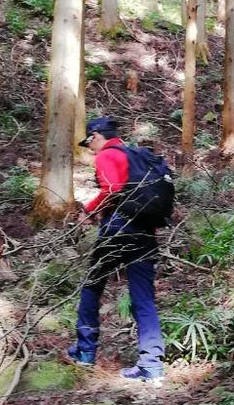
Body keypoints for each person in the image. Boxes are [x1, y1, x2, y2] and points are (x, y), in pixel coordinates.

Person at [66, 116, 165, 381]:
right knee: (143, 297)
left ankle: (85, 351)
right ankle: (152, 364)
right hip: (145, 231)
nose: (90, 150)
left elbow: (112, 189)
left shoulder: (108, 156)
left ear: (97, 136)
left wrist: (89, 210)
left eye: (89, 143)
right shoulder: (135, 156)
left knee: (92, 286)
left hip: (119, 228)